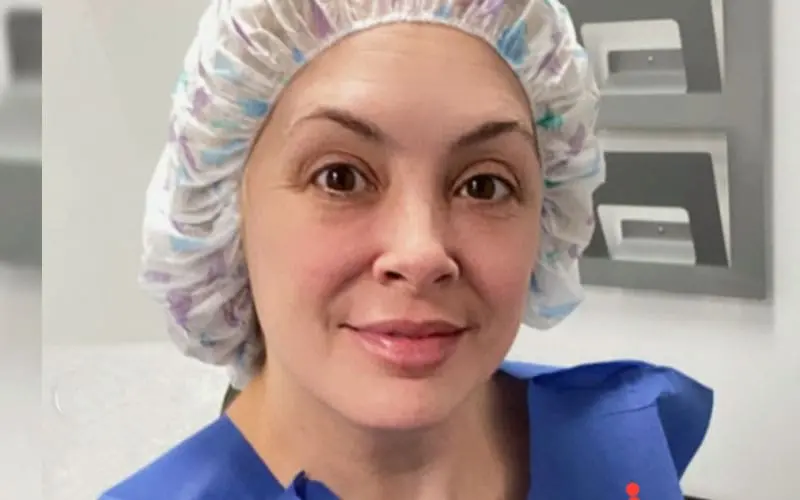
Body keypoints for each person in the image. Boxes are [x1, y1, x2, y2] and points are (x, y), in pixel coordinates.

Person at [101, 0, 713, 498]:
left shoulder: (618, 447)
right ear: (229, 209)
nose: (421, 253)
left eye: (484, 185)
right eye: (340, 177)